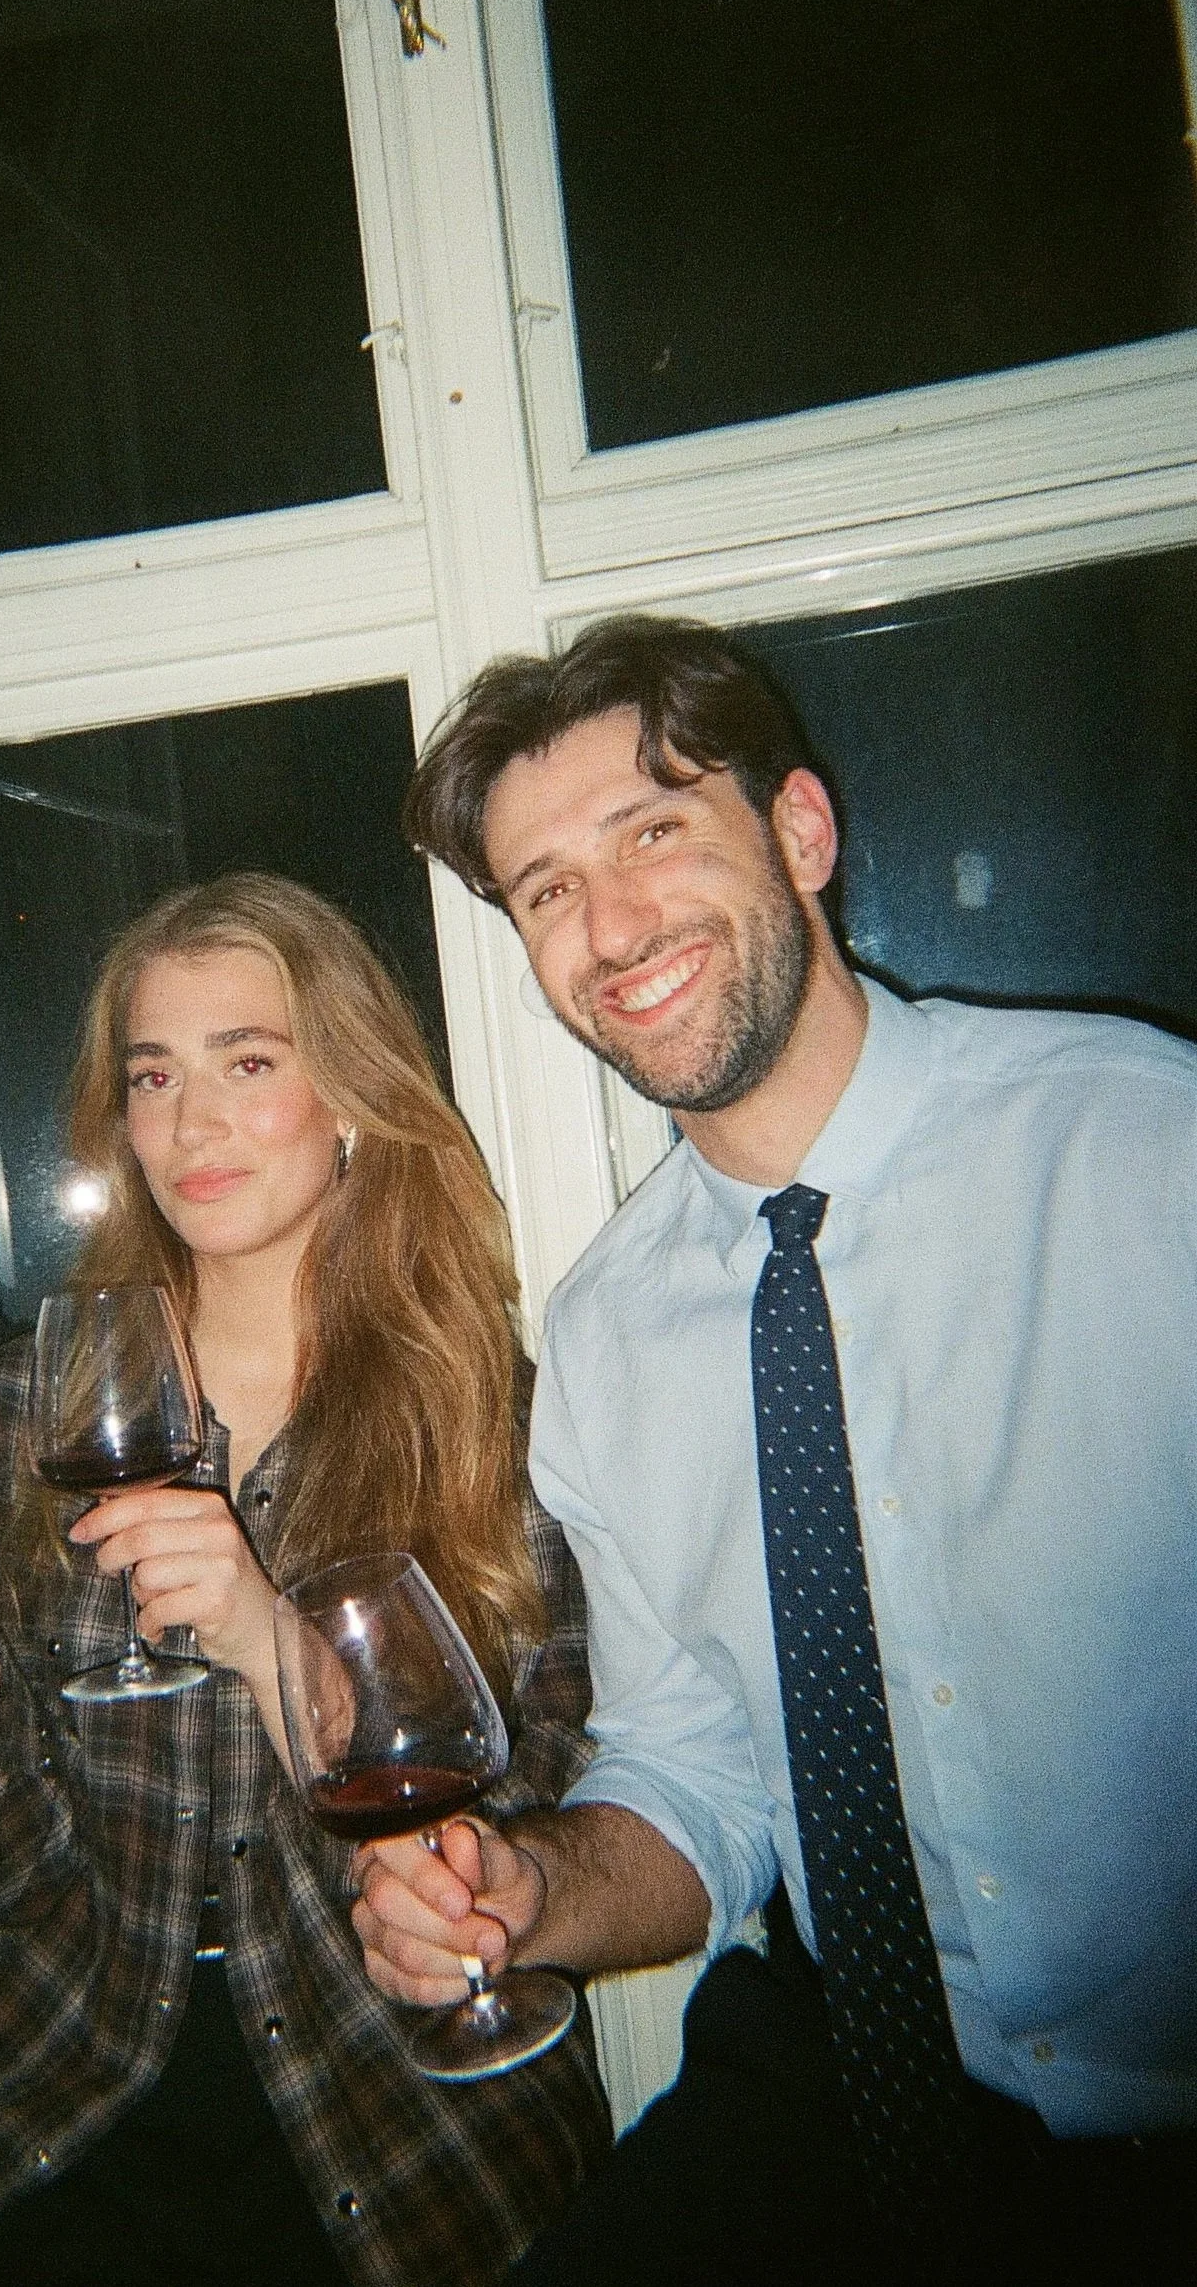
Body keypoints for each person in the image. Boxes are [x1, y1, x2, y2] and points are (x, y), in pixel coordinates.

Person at [349, 617, 1197, 2283]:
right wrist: (527, 1888)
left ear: (799, 833)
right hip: (836, 2075)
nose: (610, 926)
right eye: (542, 888)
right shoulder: (600, 1339)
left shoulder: (1143, 1150)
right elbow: (692, 1782)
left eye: (654, 830)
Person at [0, 872, 610, 2286]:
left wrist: (261, 1631)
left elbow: (489, 1867)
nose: (191, 1121)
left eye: (249, 1061)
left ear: (350, 1091)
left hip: (402, 2102)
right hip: (79, 2079)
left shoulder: (502, 1428)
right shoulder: (44, 1411)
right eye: (153, 1074)